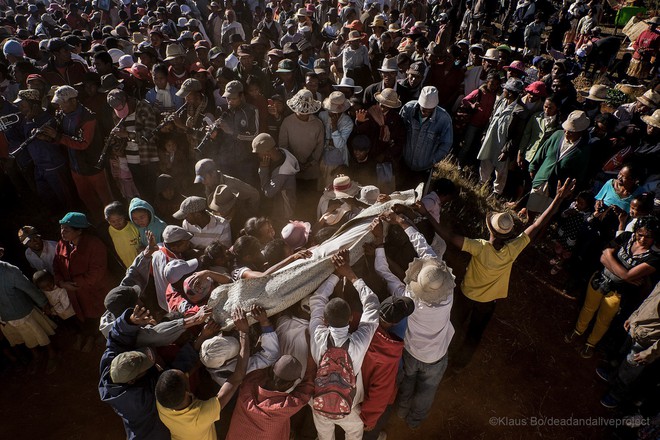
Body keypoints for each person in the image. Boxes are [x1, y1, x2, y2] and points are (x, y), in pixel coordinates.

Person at [422, 179, 576, 369]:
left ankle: (436, 355)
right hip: (487, 303)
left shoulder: (479, 246)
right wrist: (557, 200)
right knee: (474, 334)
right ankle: (458, 366)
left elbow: (449, 236)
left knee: (452, 324)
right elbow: (537, 224)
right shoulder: (513, 249)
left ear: (490, 228)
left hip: (466, 295)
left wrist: (428, 216)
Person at [371, 213, 455, 429]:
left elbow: (384, 271)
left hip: (410, 351)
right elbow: (425, 248)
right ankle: (414, 422)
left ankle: (400, 412)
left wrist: (380, 241)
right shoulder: (447, 296)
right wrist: (402, 222)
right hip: (435, 356)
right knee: (427, 391)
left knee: (407, 382)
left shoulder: (406, 298)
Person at [309, 249, 379, 440]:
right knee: (354, 432)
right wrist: (351, 275)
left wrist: (336, 274)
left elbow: (317, 299)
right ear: (350, 318)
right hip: (348, 402)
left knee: (324, 434)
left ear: (324, 318)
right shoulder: (359, 341)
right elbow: (372, 305)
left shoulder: (317, 333)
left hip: (319, 399)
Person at [565, 216, 659, 358]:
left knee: (604, 319)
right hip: (599, 280)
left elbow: (625, 273)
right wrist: (623, 273)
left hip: (618, 292)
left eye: (648, 236)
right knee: (588, 308)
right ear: (636, 231)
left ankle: (590, 344)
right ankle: (578, 331)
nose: (643, 239)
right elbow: (603, 256)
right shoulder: (627, 236)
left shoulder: (654, 258)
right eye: (640, 234)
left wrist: (611, 258)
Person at [155, 309, 250, 440]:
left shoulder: (163, 402)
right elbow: (237, 378)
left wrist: (203, 339)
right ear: (188, 392)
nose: (185, 372)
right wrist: (244, 332)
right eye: (185, 376)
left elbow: (185, 373)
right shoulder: (200, 416)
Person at [99, 306, 171, 440]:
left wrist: (129, 322)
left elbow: (115, 339)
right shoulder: (142, 400)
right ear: (132, 381)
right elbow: (171, 383)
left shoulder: (111, 363)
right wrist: (191, 351)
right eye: (144, 368)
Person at [45, 86, 113, 223]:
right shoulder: (62, 115)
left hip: (93, 167)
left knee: (105, 198)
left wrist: (57, 136)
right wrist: (48, 137)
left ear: (73, 101)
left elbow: (83, 143)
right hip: (76, 168)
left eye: (62, 102)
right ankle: (99, 222)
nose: (59, 106)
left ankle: (114, 221)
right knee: (86, 197)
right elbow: (61, 138)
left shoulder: (88, 118)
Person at [53, 212, 112, 353]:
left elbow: (96, 273)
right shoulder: (61, 245)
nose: (63, 232)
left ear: (79, 231)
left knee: (101, 314)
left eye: (67, 229)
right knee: (85, 315)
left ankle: (105, 337)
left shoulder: (94, 245)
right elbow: (56, 267)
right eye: (62, 228)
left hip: (96, 291)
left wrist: (72, 283)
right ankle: (95, 335)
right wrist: (61, 283)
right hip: (77, 294)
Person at [597, 281, 660, 409]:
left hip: (648, 341)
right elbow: (651, 298)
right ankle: (612, 376)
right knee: (623, 357)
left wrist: (650, 353)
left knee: (630, 370)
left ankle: (616, 395)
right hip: (637, 327)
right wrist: (634, 316)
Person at [225, 354, 316, 440]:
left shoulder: (248, 386)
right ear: (291, 384)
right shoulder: (284, 406)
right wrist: (311, 352)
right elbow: (307, 387)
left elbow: (261, 367)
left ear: (271, 369)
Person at [0, 255, 57, 374]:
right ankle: (37, 356)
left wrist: (44, 303)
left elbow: (29, 288)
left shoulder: (9, 271)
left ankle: (52, 354)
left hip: (24, 313)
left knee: (40, 334)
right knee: (26, 338)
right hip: (5, 317)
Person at [476, 78, 525, 198]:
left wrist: (506, 151)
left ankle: (496, 193)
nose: (503, 91)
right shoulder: (501, 101)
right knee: (485, 161)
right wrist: (484, 134)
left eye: (506, 89)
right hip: (491, 139)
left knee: (501, 170)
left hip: (503, 145)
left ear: (511, 92)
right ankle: (482, 184)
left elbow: (516, 135)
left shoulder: (520, 111)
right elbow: (491, 119)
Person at [399, 86, 453, 188]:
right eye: (423, 110)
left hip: (424, 167)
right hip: (404, 162)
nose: (425, 113)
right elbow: (399, 130)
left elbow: (446, 143)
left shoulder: (444, 119)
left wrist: (433, 160)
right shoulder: (408, 109)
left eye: (429, 111)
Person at [252, 133, 300, 227]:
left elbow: (268, 192)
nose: (258, 156)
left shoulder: (282, 172)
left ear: (267, 152)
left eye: (259, 153)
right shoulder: (282, 152)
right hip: (280, 203)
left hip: (284, 210)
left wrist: (263, 169)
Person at [193, 158, 260, 217]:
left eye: (204, 178)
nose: (203, 182)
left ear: (213, 173)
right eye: (201, 180)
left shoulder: (232, 184)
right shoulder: (208, 184)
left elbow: (255, 194)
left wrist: (248, 214)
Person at [318, 91, 354, 189]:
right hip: (321, 158)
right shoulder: (322, 116)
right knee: (321, 187)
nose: (332, 114)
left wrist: (334, 127)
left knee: (334, 188)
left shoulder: (347, 122)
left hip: (337, 162)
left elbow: (339, 144)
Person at [104, 201, 141, 269]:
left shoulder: (134, 226)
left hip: (141, 263)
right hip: (127, 268)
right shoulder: (108, 232)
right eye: (113, 221)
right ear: (108, 221)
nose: (117, 223)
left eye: (119, 219)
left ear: (124, 216)